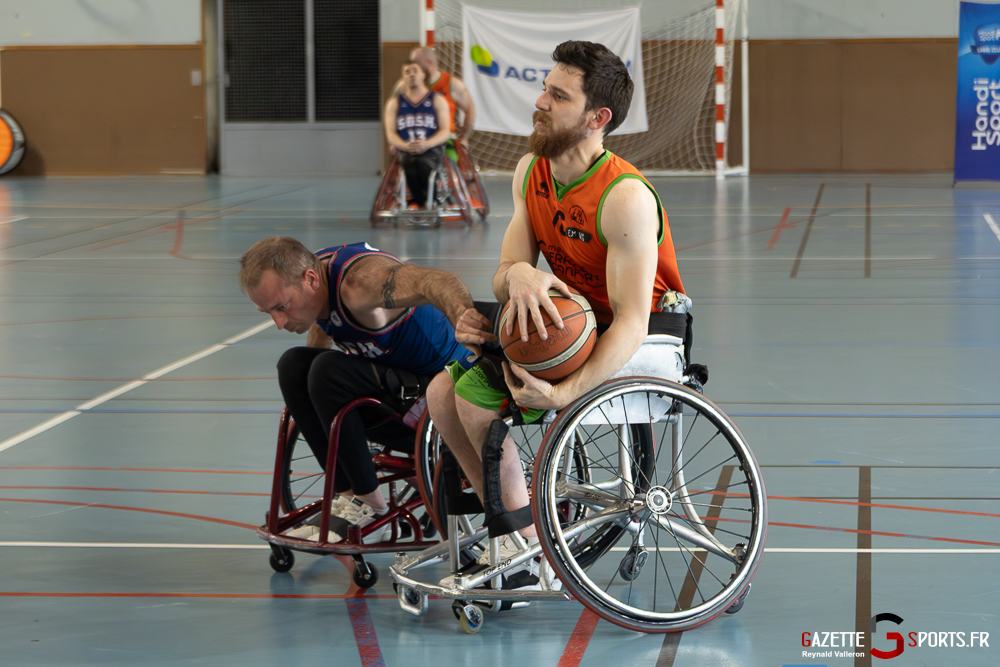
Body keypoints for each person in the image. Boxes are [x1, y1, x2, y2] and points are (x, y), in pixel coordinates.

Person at [425, 40, 688, 585]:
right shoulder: (531, 171)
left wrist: (564, 394)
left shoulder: (625, 197)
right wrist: (518, 275)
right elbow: (505, 271)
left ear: (597, 118)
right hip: (572, 319)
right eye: (545, 89)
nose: (540, 102)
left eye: (559, 96)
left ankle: (527, 550)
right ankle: (511, 529)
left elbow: (632, 320)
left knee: (473, 400)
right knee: (440, 394)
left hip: (641, 333)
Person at [239, 237, 491, 543]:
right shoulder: (315, 286)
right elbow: (321, 335)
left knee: (327, 371)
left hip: (444, 394)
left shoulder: (361, 282)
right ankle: (347, 496)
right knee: (293, 365)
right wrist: (309, 393)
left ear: (310, 279)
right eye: (268, 312)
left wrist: (464, 320)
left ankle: (371, 505)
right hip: (402, 389)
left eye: (282, 307)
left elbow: (439, 281)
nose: (278, 322)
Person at [383, 61, 451, 209]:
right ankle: (422, 202)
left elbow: (445, 131)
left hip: (431, 149)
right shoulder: (394, 103)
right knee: (411, 167)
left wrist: (427, 144)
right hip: (407, 150)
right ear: (403, 77)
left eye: (415, 70)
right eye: (407, 72)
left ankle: (425, 200)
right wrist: (404, 145)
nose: (411, 74)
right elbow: (390, 134)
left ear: (423, 75)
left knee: (423, 167)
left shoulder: (437, 100)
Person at [409, 46, 476, 151]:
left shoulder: (452, 84)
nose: (412, 71)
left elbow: (470, 109)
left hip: (446, 140)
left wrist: (464, 138)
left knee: (451, 159)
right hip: (416, 139)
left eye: (416, 65)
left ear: (429, 63)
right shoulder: (407, 86)